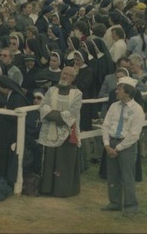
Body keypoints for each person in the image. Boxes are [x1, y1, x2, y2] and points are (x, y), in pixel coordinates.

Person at [101, 77, 144, 216]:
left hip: (127, 146)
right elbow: (106, 125)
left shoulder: (137, 110)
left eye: (119, 88)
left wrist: (118, 148)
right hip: (112, 143)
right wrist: (107, 145)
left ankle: (131, 206)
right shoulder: (114, 106)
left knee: (127, 176)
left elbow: (134, 134)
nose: (116, 91)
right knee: (112, 175)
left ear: (127, 91)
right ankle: (115, 202)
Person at [38, 65, 82, 197]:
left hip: (67, 132)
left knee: (64, 161)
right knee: (50, 160)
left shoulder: (77, 94)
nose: (64, 76)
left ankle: (62, 190)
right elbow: (44, 107)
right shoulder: (51, 90)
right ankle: (47, 188)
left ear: (73, 78)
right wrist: (58, 115)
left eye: (68, 74)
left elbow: (72, 112)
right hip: (50, 130)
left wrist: (54, 115)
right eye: (63, 73)